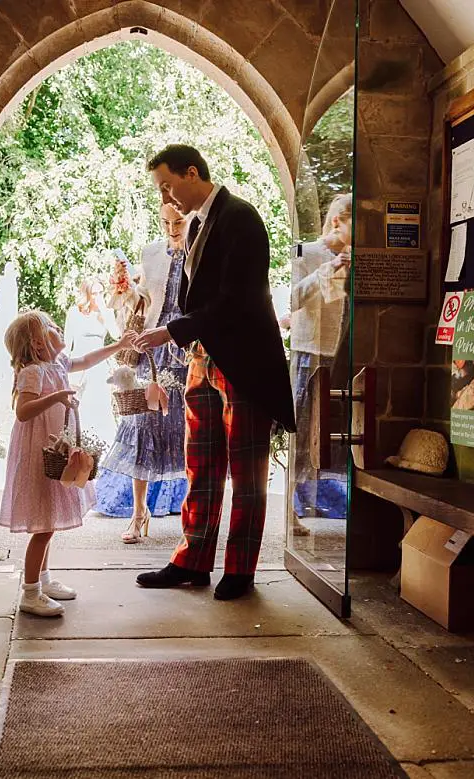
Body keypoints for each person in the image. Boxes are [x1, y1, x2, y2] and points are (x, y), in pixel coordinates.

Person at [128, 144, 298, 601]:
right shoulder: (198, 223)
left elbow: (238, 299)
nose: (165, 195)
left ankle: (240, 571)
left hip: (243, 362)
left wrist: (172, 331)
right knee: (200, 466)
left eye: (167, 184)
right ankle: (193, 561)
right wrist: (184, 338)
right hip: (202, 360)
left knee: (247, 475)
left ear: (192, 172)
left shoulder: (241, 217)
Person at [0, 310, 130, 617]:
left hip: (53, 449)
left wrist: (118, 345)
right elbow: (23, 411)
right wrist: (56, 397)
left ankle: (42, 580)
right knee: (43, 526)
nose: (59, 329)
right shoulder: (33, 371)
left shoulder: (56, 363)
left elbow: (85, 361)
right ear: (38, 343)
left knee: (49, 521)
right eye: (52, 328)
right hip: (37, 453)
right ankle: (30, 593)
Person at [95, 209, 192, 542]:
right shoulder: (150, 253)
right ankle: (138, 513)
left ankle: (192, 520)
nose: (171, 229)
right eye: (165, 222)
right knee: (141, 429)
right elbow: (144, 303)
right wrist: (125, 286)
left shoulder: (203, 251)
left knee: (187, 433)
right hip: (150, 354)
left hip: (186, 352)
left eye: (178, 222)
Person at [285, 194, 352, 530]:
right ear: (338, 220)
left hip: (335, 354)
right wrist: (330, 267)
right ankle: (288, 511)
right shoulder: (306, 251)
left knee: (322, 435)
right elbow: (294, 298)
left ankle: (306, 501)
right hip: (308, 352)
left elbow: (335, 303)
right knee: (300, 430)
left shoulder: (352, 256)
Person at [63, 276, 118, 443]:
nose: (98, 296)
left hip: (98, 364)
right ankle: (76, 443)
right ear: (87, 294)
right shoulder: (74, 312)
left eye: (101, 292)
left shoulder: (106, 313)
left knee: (98, 406)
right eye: (94, 293)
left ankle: (99, 446)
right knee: (76, 408)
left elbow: (117, 335)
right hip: (78, 362)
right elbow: (67, 343)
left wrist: (105, 312)